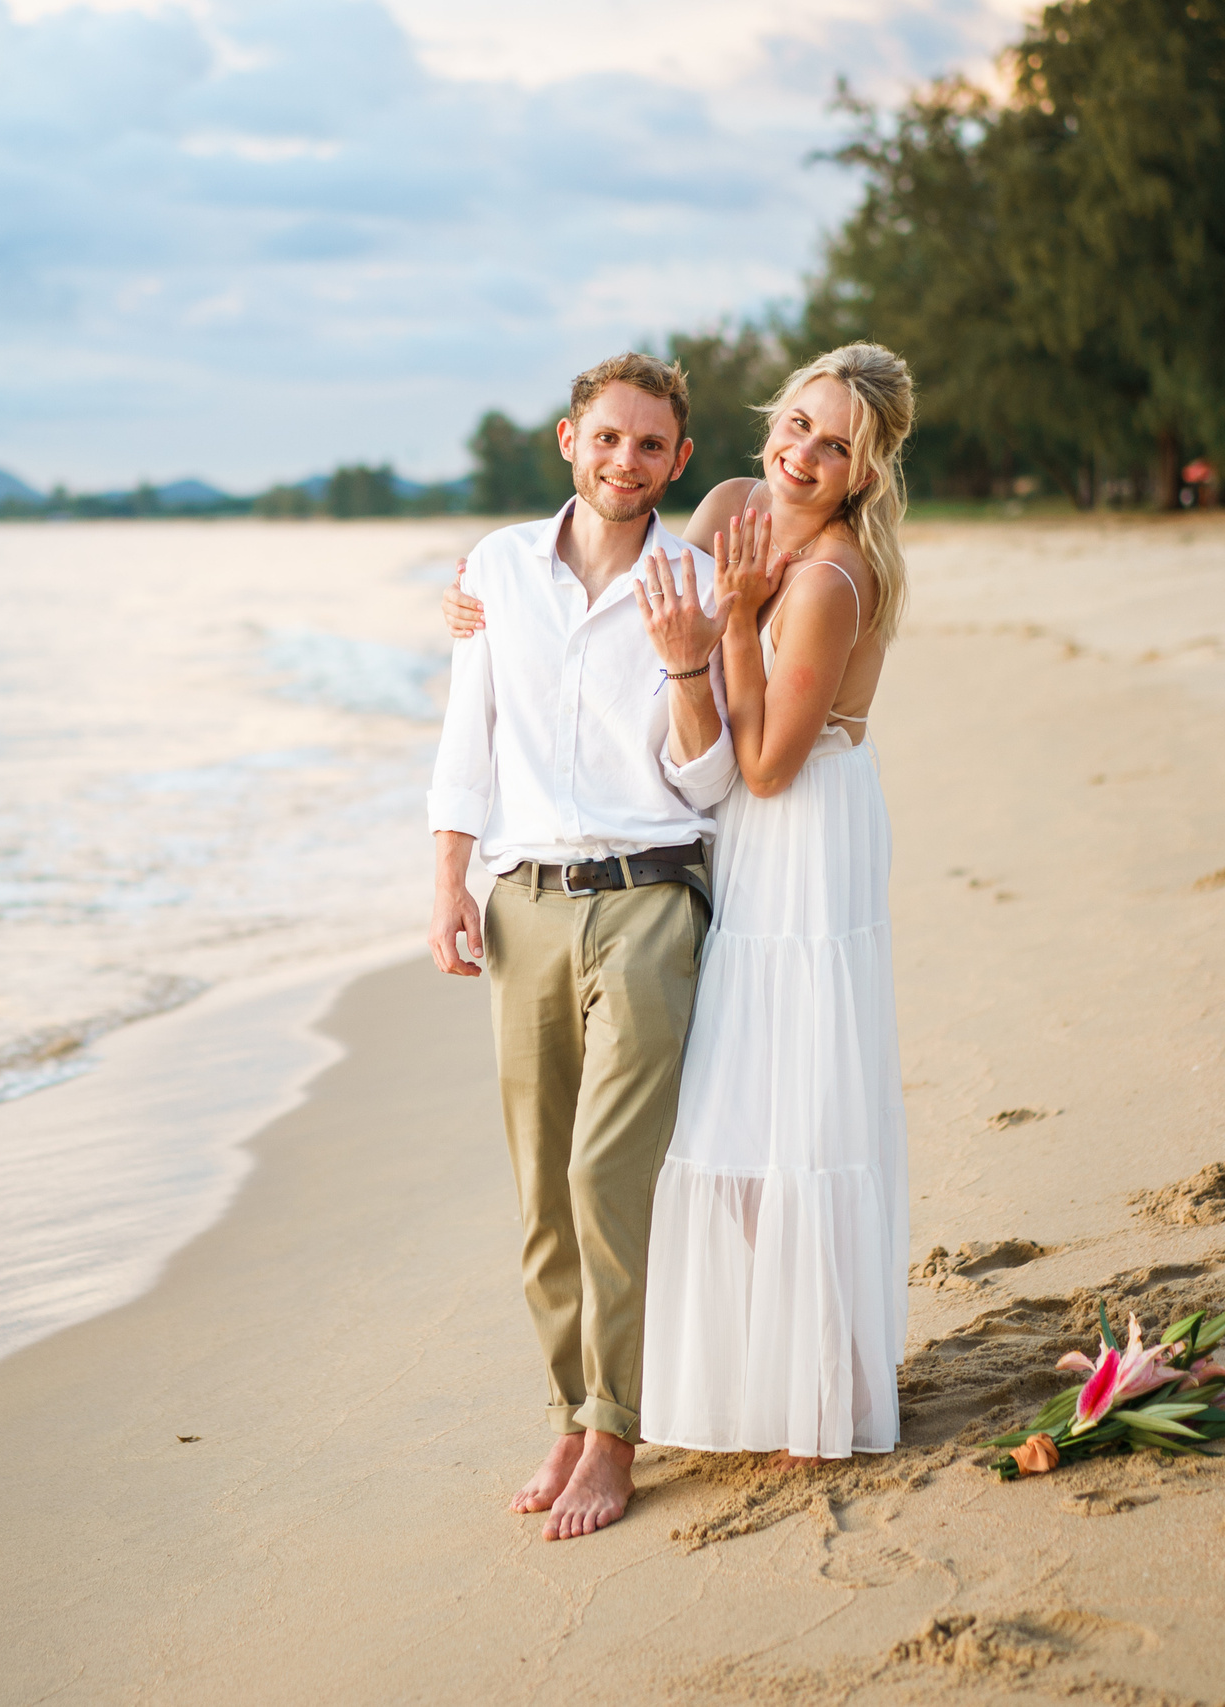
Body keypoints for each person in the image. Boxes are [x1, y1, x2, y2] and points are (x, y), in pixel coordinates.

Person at [442, 343, 916, 1461]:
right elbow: (634, 618)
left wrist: (737, 622)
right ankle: (744, 1377)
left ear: (865, 470)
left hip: (796, 844)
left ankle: (837, 1381)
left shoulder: (830, 579)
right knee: (722, 1117)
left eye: (835, 445)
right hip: (721, 840)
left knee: (781, 1112)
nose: (803, 454)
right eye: (797, 423)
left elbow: (762, 764)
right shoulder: (732, 505)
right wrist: (483, 596)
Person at [426, 351, 740, 1540]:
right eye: (606, 437)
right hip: (524, 903)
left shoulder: (698, 583)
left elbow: (706, 782)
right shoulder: (496, 570)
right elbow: (468, 735)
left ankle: (614, 1430)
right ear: (569, 440)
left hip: (652, 897)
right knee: (541, 1187)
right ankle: (569, 1410)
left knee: (606, 1174)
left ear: (679, 460)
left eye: (650, 444)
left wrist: (688, 661)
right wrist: (448, 882)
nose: (625, 460)